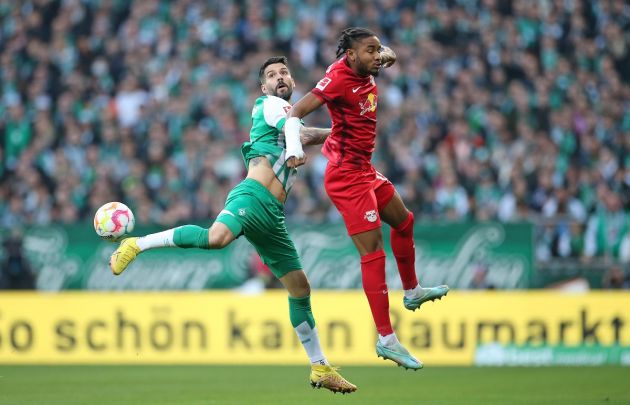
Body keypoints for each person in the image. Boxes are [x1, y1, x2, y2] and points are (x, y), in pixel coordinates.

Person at [109, 56, 356, 394]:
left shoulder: (287, 117)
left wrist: (340, 132)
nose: (279, 78)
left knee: (300, 288)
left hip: (273, 216)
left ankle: (319, 367)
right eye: (271, 75)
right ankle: (136, 244)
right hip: (251, 196)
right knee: (217, 237)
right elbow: (294, 128)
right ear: (263, 87)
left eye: (284, 72)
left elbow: (301, 131)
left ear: (293, 80)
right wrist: (306, 142)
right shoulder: (268, 105)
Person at [285, 27, 449, 370]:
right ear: (351, 55)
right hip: (346, 178)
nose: (377, 55)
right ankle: (387, 339)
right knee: (373, 253)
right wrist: (294, 147)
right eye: (370, 51)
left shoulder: (368, 64)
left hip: (364, 169)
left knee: (405, 222)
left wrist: (385, 55)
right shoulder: (338, 79)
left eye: (378, 50)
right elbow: (295, 112)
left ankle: (412, 290)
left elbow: (386, 55)